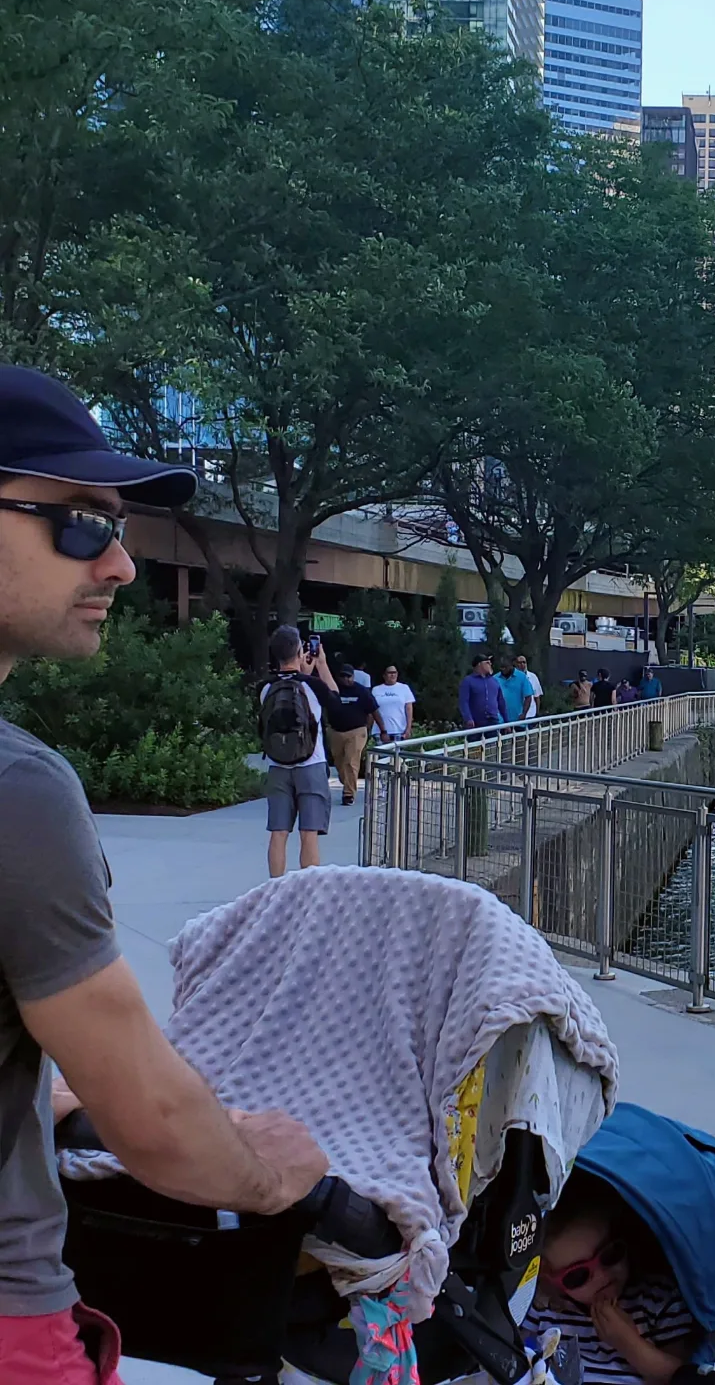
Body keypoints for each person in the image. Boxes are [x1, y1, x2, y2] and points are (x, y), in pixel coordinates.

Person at [0, 364, 328, 1382]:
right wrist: (274, 1179)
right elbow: (152, 1120)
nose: (121, 566)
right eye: (81, 523)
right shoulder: (19, 794)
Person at [525, 1186, 696, 1385]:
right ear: (548, 1279)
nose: (603, 1276)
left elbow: (680, 1377)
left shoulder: (657, 1299)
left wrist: (628, 1342)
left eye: (610, 1255)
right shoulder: (540, 1308)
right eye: (578, 1275)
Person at [259, 626, 339, 878]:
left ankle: (275, 889)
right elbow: (336, 702)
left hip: (278, 765)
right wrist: (321, 666)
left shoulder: (265, 688)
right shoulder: (312, 685)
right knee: (309, 833)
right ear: (299, 650)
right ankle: (307, 893)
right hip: (311, 764)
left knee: (278, 832)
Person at [324, 664, 380, 806]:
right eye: (342, 676)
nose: (345, 679)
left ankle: (348, 794)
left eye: (348, 676)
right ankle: (347, 782)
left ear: (353, 677)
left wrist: (380, 729)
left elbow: (373, 710)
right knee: (339, 761)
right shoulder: (333, 690)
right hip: (336, 731)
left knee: (351, 761)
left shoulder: (361, 691)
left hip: (356, 730)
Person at [459, 655, 506, 729]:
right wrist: (468, 718)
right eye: (487, 663)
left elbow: (501, 702)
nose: (490, 664)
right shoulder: (468, 681)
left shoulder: (494, 681)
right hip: (475, 722)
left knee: (492, 740)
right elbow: (464, 701)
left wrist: (506, 721)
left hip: (492, 721)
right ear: (479, 664)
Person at [372, 664, 416, 742]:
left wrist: (408, 728)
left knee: (398, 754)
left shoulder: (404, 688)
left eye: (394, 672)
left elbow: (409, 708)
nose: (392, 675)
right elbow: (372, 709)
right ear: (384, 675)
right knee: (382, 754)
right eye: (390, 673)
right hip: (380, 731)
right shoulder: (376, 690)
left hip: (399, 730)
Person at [496, 657, 536, 724]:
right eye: (501, 667)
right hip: (500, 721)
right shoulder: (495, 678)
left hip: (518, 720)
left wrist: (524, 713)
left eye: (505, 667)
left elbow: (528, 697)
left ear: (512, 665)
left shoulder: (522, 677)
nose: (502, 669)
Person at [514, 653, 543, 719]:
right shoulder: (512, 678)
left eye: (524, 662)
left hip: (531, 714)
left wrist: (537, 713)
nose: (522, 665)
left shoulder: (533, 677)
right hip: (517, 714)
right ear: (515, 664)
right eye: (519, 662)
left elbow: (537, 697)